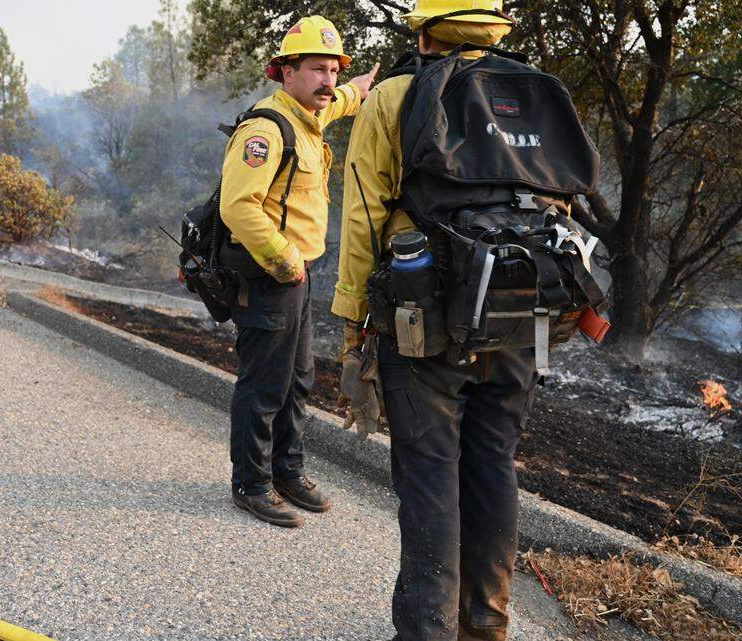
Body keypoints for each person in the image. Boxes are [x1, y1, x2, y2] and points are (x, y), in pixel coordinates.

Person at [333, 2, 537, 639]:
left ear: (424, 29)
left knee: (429, 475)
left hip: (423, 316)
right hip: (518, 309)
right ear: (495, 26)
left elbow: (365, 218)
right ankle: (487, 627)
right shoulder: (528, 90)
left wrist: (351, 330)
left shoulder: (393, 95)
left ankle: (427, 630)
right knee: (493, 463)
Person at [220, 15, 378, 528]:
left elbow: (343, 100)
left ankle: (287, 472)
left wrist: (360, 88)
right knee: (265, 383)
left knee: (298, 380)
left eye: (333, 69)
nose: (327, 80)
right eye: (316, 69)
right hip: (272, 274)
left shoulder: (311, 118)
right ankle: (251, 483)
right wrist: (287, 264)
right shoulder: (267, 129)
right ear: (286, 72)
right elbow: (238, 207)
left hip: (297, 274)